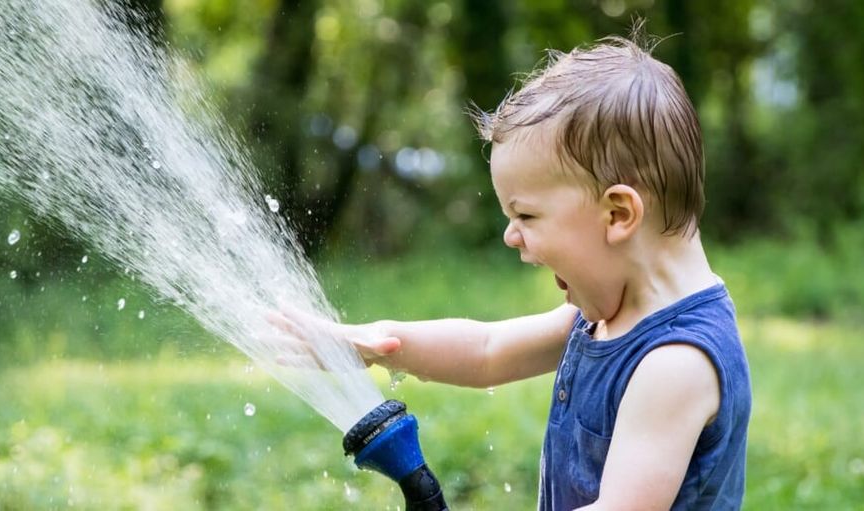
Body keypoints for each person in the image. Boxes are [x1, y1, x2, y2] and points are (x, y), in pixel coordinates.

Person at [271, 26, 751, 511]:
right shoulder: (608, 317)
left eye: (526, 215)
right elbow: (487, 350)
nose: (510, 235)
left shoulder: (675, 364)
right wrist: (376, 343)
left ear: (617, 214)